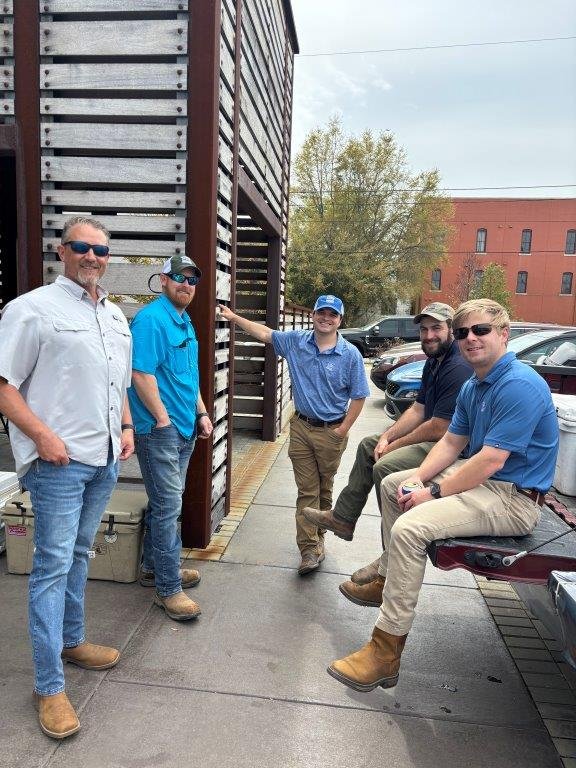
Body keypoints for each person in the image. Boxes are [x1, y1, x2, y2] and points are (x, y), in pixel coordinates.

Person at [327, 298, 559, 693]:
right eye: (465, 332)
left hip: (514, 499)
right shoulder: (475, 383)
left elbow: (490, 460)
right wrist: (417, 479)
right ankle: (388, 575)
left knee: (411, 528)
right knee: (391, 482)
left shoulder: (519, 384)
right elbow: (452, 443)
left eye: (481, 330)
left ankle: (386, 650)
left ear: (503, 335)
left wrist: (432, 493)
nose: (471, 338)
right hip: (487, 484)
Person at [0, 216, 134, 739]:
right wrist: (45, 438)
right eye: (82, 247)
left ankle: (73, 641)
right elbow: (5, 386)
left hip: (102, 458)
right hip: (58, 463)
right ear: (63, 250)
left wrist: (124, 424)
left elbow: (115, 378)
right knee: (52, 567)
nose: (92, 257)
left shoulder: (115, 316)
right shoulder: (31, 310)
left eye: (101, 250)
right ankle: (49, 686)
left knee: (79, 555)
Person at [302, 302, 473, 601]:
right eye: (424, 329)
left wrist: (393, 446)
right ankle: (343, 518)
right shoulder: (436, 360)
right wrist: (388, 435)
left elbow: (439, 427)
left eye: (436, 328)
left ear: (452, 330)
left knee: (384, 468)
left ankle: (388, 562)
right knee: (371, 444)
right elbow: (419, 409)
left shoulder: (457, 366)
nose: (429, 335)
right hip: (437, 438)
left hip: (455, 449)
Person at [218, 295, 370, 574]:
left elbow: (359, 396)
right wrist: (233, 317)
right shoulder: (297, 342)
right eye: (321, 313)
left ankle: (321, 535)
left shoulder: (350, 355)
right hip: (301, 428)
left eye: (332, 315)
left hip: (332, 432)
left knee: (325, 488)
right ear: (313, 315)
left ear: (340, 320)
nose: (326, 318)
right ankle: (309, 549)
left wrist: (343, 430)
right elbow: (264, 333)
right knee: (307, 489)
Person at [128, 254, 213, 622]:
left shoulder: (184, 320)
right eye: (179, 277)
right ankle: (168, 588)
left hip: (185, 427)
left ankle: (153, 567)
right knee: (168, 508)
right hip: (160, 432)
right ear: (162, 280)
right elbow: (140, 374)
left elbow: (188, 375)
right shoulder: (151, 320)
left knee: (167, 503)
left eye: (192, 280)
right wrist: (162, 419)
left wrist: (202, 412)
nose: (186, 285)